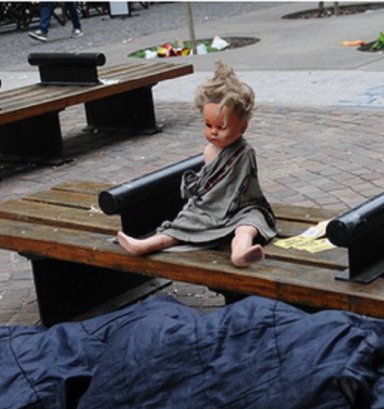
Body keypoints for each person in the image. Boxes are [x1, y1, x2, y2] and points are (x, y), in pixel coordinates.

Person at [117, 61, 277, 268]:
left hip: (241, 208)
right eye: (208, 125)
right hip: (209, 209)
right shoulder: (209, 151)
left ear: (242, 127)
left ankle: (240, 252)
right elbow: (208, 185)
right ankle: (145, 245)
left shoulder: (245, 152)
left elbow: (242, 187)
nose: (213, 132)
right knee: (183, 225)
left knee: (248, 225)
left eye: (221, 126)